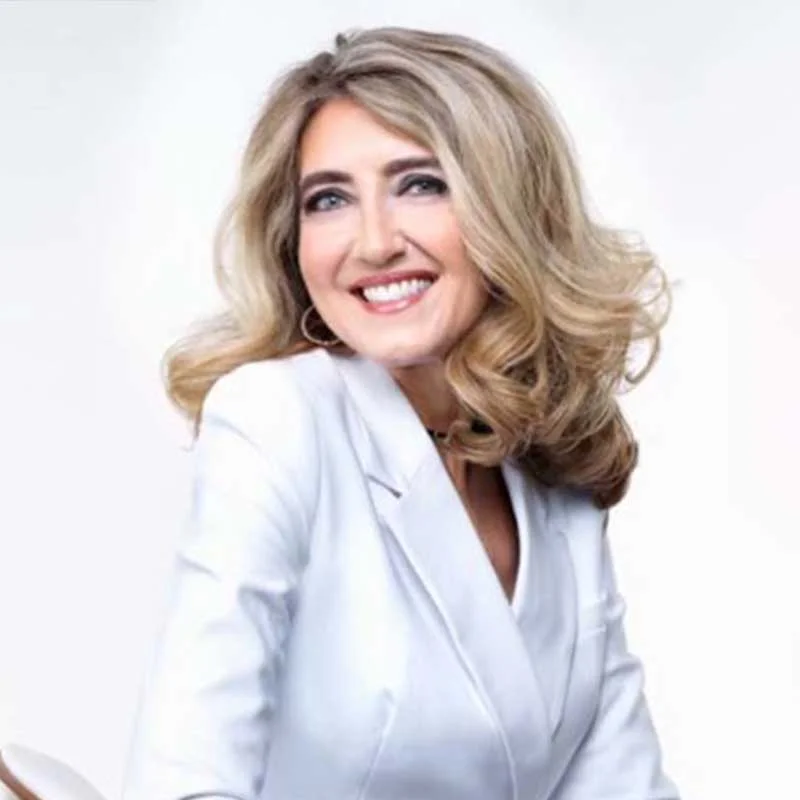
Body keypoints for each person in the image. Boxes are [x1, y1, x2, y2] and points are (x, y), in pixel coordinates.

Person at [122, 26, 679, 800]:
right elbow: (184, 777)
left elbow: (621, 782)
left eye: (420, 184)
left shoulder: (554, 474)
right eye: (329, 200)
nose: (375, 243)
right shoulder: (278, 419)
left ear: (512, 208)